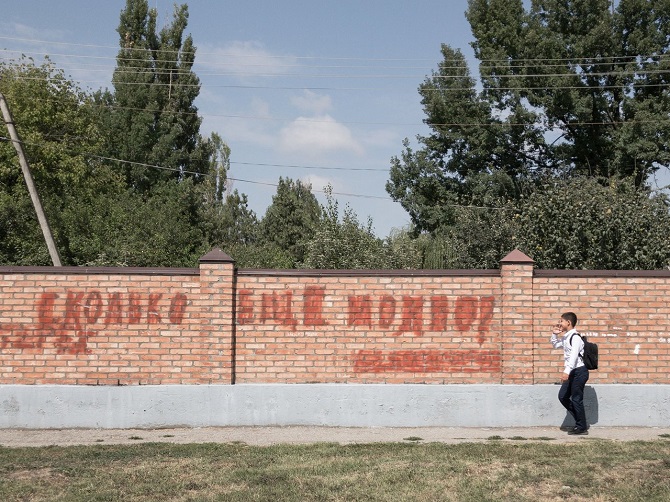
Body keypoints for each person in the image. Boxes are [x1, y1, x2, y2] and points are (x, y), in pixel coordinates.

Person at [550, 311, 589, 435]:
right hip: (572, 372)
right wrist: (554, 334)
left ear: (569, 322)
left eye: (561, 321)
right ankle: (580, 420)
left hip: (579, 371)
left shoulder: (575, 337)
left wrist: (566, 371)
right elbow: (555, 345)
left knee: (577, 399)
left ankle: (581, 427)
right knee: (563, 396)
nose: (560, 323)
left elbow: (573, 357)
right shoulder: (566, 337)